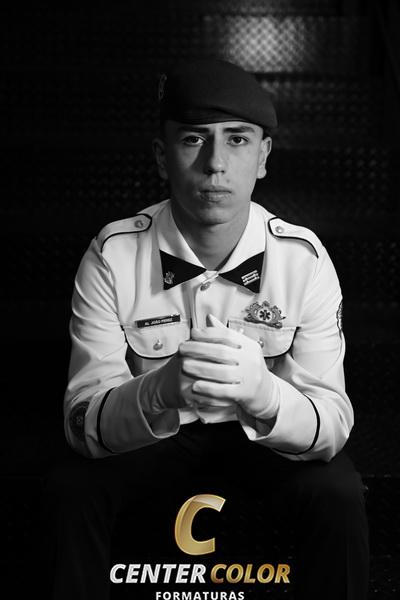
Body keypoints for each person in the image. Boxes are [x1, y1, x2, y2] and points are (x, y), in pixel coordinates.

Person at [42, 58, 369, 600]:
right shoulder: (114, 253)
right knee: (69, 489)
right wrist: (156, 391)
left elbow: (332, 425)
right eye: (194, 139)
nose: (216, 164)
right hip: (154, 439)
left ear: (263, 156)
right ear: (161, 156)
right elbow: (81, 424)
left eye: (238, 140)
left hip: (261, 443)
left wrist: (266, 396)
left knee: (339, 493)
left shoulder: (303, 259)